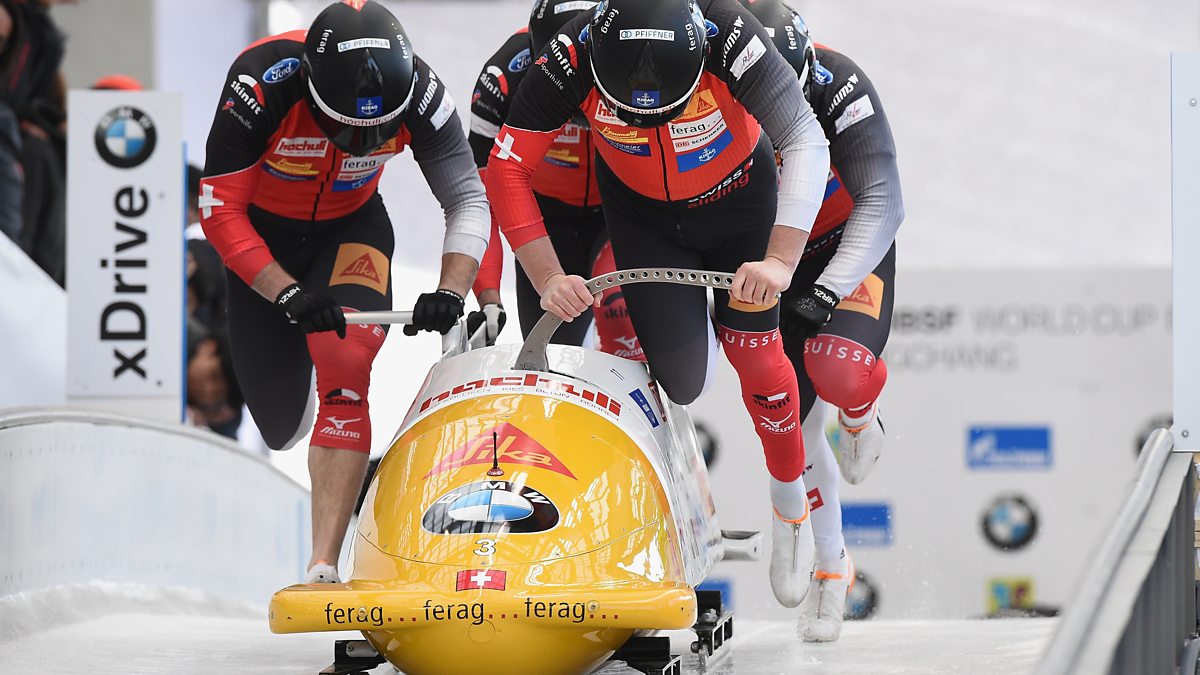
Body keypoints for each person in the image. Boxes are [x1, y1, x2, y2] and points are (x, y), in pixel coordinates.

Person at [485, 0, 831, 607]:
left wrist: (780, 259)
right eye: (631, 114)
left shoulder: (728, 31)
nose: (650, 121)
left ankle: (789, 504)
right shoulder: (573, 51)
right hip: (643, 217)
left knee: (756, 355)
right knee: (682, 381)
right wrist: (547, 276)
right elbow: (506, 168)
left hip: (739, 206)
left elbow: (804, 137)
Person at [199, 0, 490, 584]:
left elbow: (467, 196)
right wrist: (285, 293)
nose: (362, 142)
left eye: (378, 132)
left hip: (350, 228)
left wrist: (452, 289)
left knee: (345, 364)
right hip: (260, 242)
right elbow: (219, 209)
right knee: (281, 426)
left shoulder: (423, 92)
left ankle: (323, 564)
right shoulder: (260, 84)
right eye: (346, 128)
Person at [742, 0, 904, 641]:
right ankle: (832, 567)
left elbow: (884, 200)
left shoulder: (843, 85)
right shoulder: (715, 93)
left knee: (837, 369)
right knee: (793, 421)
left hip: (845, 249)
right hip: (770, 265)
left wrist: (830, 288)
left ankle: (860, 412)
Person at [467, 0, 604, 346]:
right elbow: (481, 199)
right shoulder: (501, 79)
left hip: (617, 217)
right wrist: (488, 294)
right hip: (545, 222)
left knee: (622, 322)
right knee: (553, 352)